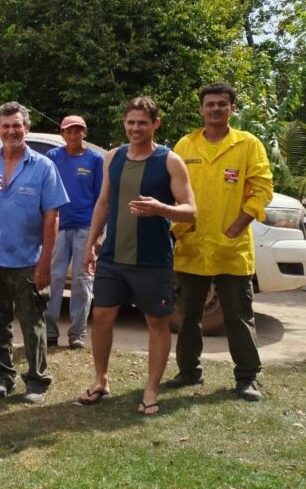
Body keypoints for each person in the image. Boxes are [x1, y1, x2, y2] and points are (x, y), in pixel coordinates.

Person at [77, 97, 196, 416]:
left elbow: (190, 211)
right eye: (130, 122)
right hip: (113, 257)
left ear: (155, 124)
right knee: (101, 318)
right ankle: (101, 380)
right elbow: (103, 203)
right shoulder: (112, 157)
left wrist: (161, 209)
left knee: (157, 323)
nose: (135, 128)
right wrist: (91, 243)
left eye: (142, 123)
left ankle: (151, 389)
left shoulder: (169, 160)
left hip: (152, 260)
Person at [167, 82, 274, 402]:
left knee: (238, 315)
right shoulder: (185, 145)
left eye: (222, 104)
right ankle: (188, 371)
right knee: (188, 316)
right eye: (210, 104)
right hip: (193, 243)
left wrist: (238, 226)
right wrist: (176, 229)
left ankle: (247, 378)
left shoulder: (247, 145)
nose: (215, 108)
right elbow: (171, 187)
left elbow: (262, 189)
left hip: (232, 247)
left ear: (231, 109)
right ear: (201, 109)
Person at [0, 101, 68, 404]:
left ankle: (37, 381)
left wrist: (45, 263)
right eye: (5, 126)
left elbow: (52, 217)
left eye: (17, 125)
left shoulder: (43, 166)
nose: (11, 131)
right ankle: (2, 377)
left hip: (26, 261)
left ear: (27, 128)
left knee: (32, 323)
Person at [44, 115, 105, 349]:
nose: (73, 135)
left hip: (85, 228)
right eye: (69, 131)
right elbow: (45, 193)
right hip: (58, 227)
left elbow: (102, 198)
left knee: (83, 280)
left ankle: (77, 334)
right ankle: (50, 332)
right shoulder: (53, 157)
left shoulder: (95, 160)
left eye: (78, 131)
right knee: (54, 278)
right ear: (62, 133)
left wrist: (97, 236)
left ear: (85, 133)